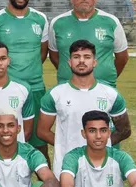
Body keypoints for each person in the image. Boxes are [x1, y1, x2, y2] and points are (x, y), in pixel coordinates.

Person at [38, 39, 131, 179]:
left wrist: (98, 144)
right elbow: (42, 131)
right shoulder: (55, 95)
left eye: (87, 57)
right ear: (69, 62)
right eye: (76, 57)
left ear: (94, 62)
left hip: (101, 167)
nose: (81, 61)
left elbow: (124, 130)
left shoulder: (111, 94)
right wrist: (67, 144)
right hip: (66, 167)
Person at [0, 0, 49, 158]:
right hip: (7, 90)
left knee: (39, 146)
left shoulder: (40, 19)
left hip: (36, 89)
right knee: (6, 142)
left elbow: (43, 52)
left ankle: (44, 184)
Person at [49, 0, 129, 88]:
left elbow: (122, 57)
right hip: (66, 89)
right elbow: (55, 56)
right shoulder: (57, 23)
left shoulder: (111, 22)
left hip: (104, 88)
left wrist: (107, 78)